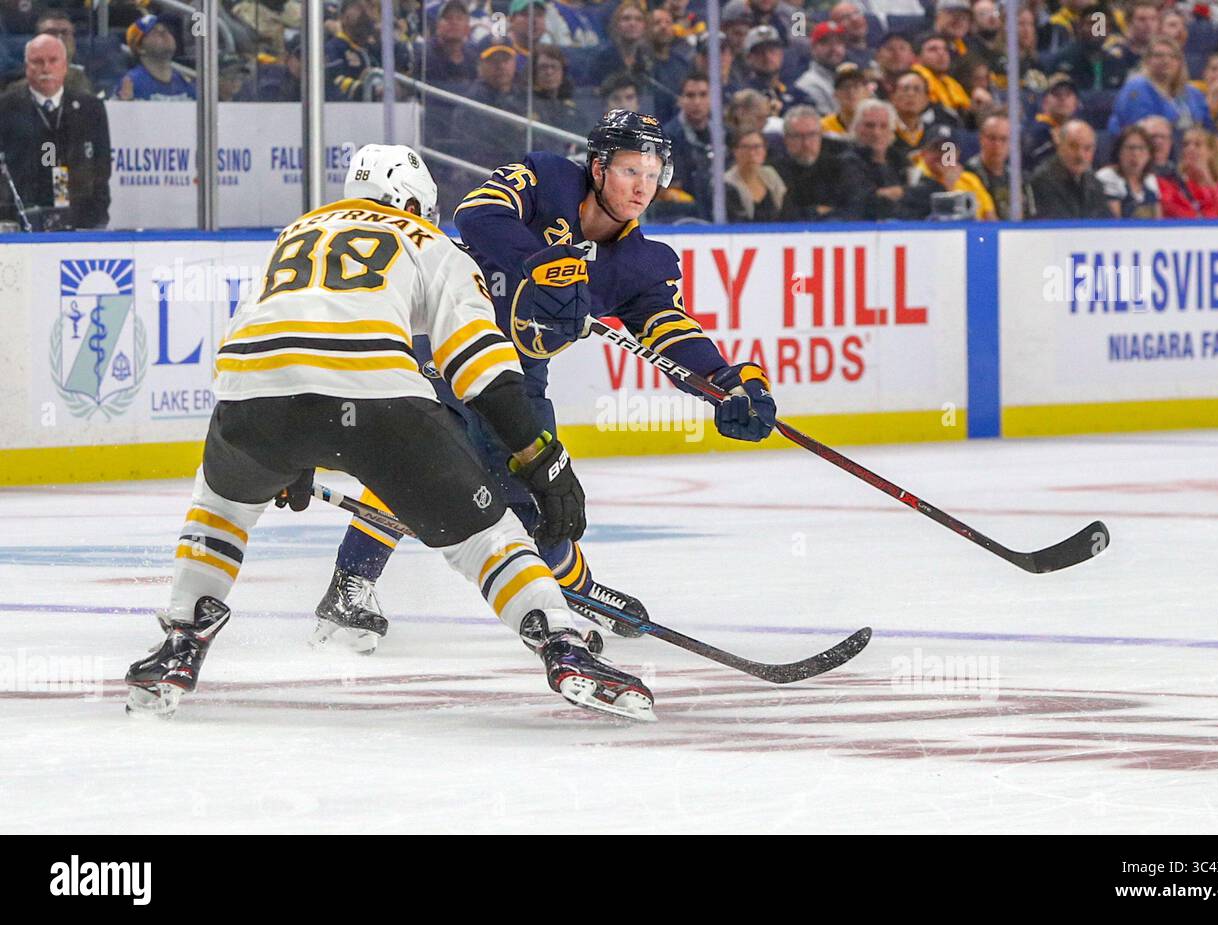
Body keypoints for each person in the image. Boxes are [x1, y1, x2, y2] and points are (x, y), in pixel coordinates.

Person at [121, 144, 659, 721]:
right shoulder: (433, 244)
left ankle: (180, 639)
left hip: (253, 395)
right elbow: (480, 366)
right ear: (410, 203)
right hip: (377, 399)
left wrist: (287, 454)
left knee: (220, 506)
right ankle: (560, 644)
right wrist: (539, 458)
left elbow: (254, 336)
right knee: (484, 536)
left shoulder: (298, 231)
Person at [315, 112, 778, 652]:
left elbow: (668, 330)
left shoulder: (643, 264)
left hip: (521, 375)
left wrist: (725, 383)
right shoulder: (547, 178)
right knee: (421, 456)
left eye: (652, 175)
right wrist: (539, 264)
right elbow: (478, 213)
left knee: (545, 498)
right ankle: (352, 586)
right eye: (630, 170)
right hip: (452, 334)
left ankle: (574, 589)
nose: (641, 187)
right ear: (599, 168)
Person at [0, 34, 111, 229]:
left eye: (53, 60)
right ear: (26, 67)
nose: (46, 68)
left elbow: (102, 165)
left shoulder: (90, 108)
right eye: (37, 61)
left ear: (65, 66)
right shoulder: (6, 108)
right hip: (20, 219)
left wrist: (95, 214)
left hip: (80, 217)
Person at [1107, 37, 1211, 135]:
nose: (1166, 60)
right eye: (1159, 55)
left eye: (1173, 56)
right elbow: (1140, 132)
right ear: (1147, 61)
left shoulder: (1193, 93)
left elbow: (1208, 130)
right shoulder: (1136, 88)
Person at [771, 105, 857, 220]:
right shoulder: (774, 170)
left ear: (820, 136)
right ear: (786, 139)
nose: (806, 143)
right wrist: (814, 212)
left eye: (811, 135)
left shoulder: (840, 163)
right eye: (797, 136)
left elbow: (853, 207)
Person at [898, 122, 996, 220]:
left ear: (958, 154)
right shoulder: (912, 177)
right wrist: (947, 186)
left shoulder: (970, 180)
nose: (943, 155)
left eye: (949, 150)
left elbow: (991, 219)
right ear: (924, 152)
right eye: (936, 148)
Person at [1027, 119, 1111, 218]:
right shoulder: (1041, 182)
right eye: (1073, 146)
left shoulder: (1095, 184)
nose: (1080, 155)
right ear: (1060, 146)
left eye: (1087, 148)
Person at [840, 98, 909, 219]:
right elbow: (862, 201)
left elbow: (921, 194)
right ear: (856, 128)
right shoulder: (845, 161)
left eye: (883, 126)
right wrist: (901, 193)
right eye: (869, 126)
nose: (876, 133)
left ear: (892, 131)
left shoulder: (900, 159)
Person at [662, 71, 714, 217]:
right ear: (680, 100)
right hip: (684, 216)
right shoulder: (667, 139)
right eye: (690, 95)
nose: (697, 102)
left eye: (703, 95)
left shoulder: (725, 134)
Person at [1157, 125, 1218, 218]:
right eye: (1186, 144)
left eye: (1197, 145)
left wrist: (1207, 179)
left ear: (1211, 152)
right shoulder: (1171, 184)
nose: (1190, 149)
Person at [116, 14, 195, 101]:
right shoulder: (130, 83)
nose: (164, 34)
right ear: (140, 48)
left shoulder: (184, 82)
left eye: (166, 30)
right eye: (154, 32)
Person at [1095, 125, 1162, 218]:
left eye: (1141, 148)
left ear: (1149, 155)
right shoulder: (1107, 176)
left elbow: (1158, 221)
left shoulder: (1150, 179)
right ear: (1119, 152)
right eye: (1130, 148)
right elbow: (1115, 222)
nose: (1135, 154)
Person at [725, 128, 787, 220]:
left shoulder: (770, 174)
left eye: (757, 147)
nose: (752, 153)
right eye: (745, 147)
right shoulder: (727, 183)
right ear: (735, 151)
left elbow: (786, 209)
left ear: (765, 151)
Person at [1024, 72, 1080, 172]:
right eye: (1056, 93)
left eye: (1068, 94)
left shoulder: (1078, 131)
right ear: (1045, 102)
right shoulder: (1037, 131)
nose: (1063, 98)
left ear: (1076, 103)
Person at [911, 32, 971, 124]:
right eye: (933, 49)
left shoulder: (951, 83)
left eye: (945, 49)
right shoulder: (915, 80)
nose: (941, 53)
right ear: (917, 58)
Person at [794, 21, 848, 116]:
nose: (834, 48)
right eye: (826, 43)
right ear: (813, 49)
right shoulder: (808, 84)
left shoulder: (849, 76)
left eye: (839, 43)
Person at [966, 110, 1011, 219]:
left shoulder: (1017, 178)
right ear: (981, 138)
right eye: (992, 138)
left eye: (1003, 139)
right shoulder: (969, 175)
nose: (997, 145)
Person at [422, 0, 476, 85]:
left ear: (467, 29)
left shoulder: (473, 55)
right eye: (448, 18)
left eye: (459, 18)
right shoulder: (423, 54)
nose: (454, 22)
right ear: (438, 26)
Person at [821, 62, 874, 138]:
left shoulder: (880, 125)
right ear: (835, 94)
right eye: (845, 87)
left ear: (867, 92)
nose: (851, 92)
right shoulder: (824, 127)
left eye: (856, 86)